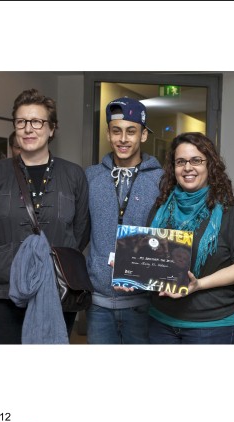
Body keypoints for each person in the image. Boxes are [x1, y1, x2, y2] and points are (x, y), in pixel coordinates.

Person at [0, 88, 90, 344]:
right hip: (5, 289)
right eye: (21, 122)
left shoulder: (73, 175)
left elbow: (81, 230)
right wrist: (4, 259)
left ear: (52, 129)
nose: (28, 128)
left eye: (37, 122)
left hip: (60, 288)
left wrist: (52, 264)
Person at [147, 132, 234, 344]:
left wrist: (198, 284)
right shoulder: (161, 208)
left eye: (196, 160)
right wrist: (129, 273)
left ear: (210, 165)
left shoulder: (232, 208)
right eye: (180, 161)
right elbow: (149, 258)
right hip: (160, 321)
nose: (187, 168)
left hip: (212, 325)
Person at [85, 97, 163, 344]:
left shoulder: (162, 180)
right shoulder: (90, 177)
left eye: (131, 131)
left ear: (143, 135)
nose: (123, 139)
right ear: (108, 134)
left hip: (144, 303)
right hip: (98, 301)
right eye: (116, 131)